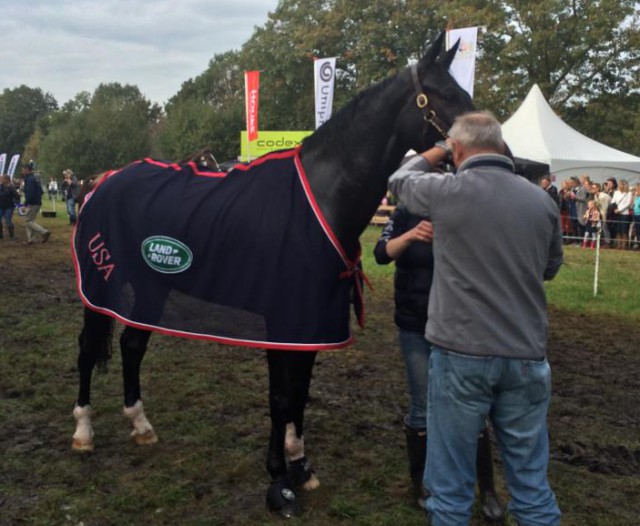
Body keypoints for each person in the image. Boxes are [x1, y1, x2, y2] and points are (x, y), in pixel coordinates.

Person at [388, 111, 563, 526]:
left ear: (459, 149)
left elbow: (399, 180)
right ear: (502, 148)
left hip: (460, 353)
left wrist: (440, 148)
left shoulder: (447, 191)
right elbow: (551, 268)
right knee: (532, 487)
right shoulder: (542, 200)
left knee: (449, 492)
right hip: (525, 355)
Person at [373, 205, 503, 521]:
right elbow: (381, 253)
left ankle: (486, 488)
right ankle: (421, 484)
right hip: (415, 325)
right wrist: (411, 235)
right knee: (422, 404)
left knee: (471, 404)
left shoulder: (463, 208)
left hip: (459, 326)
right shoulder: (404, 213)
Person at [21, 164, 50, 244]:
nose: (22, 171)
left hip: (33, 203)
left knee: (28, 221)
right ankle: (31, 239)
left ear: (27, 169)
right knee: (30, 220)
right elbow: (41, 191)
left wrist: (26, 204)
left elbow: (30, 193)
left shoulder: (30, 179)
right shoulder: (34, 178)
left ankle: (44, 232)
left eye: (23, 170)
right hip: (36, 202)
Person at [611, 179, 633, 249]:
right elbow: (613, 201)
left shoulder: (629, 193)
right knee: (618, 229)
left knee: (624, 230)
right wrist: (615, 209)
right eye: (619, 184)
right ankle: (619, 244)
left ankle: (624, 245)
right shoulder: (616, 192)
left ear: (625, 185)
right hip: (616, 213)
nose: (620, 186)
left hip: (624, 214)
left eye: (621, 184)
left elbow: (628, 203)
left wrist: (619, 210)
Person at [591, 182, 612, 246]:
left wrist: (603, 218)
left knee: (605, 227)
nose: (592, 189)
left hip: (608, 213)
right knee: (601, 228)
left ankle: (608, 242)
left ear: (598, 188)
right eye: (592, 188)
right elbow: (598, 206)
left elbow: (605, 208)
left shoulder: (603, 197)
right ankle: (603, 241)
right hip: (601, 213)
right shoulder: (595, 195)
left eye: (594, 188)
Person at [0, 174, 20, 241]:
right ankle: (0, 235)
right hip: (1, 206)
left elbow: (17, 196)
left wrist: (17, 202)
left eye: (2, 179)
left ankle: (12, 236)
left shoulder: (11, 187)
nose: (1, 180)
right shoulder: (1, 186)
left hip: (9, 207)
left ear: (6, 180)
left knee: (8, 220)